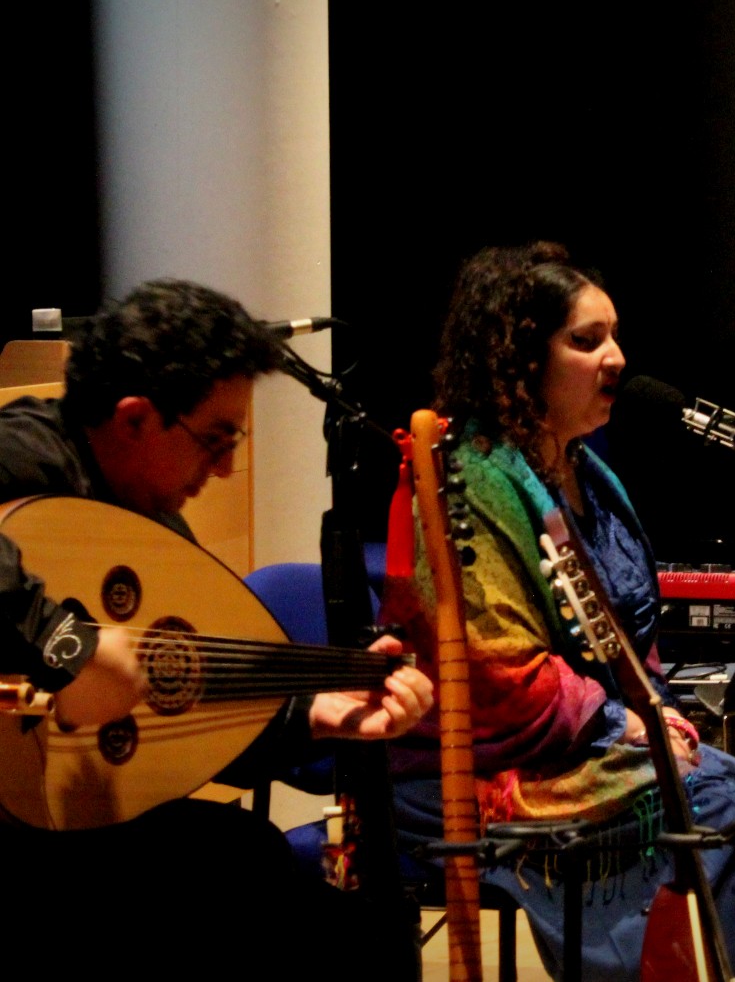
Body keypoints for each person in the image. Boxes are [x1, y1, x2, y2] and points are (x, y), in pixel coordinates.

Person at [389, 243, 735, 981]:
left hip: (590, 739)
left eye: (613, 335)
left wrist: (658, 710)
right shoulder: (472, 475)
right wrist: (627, 722)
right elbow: (497, 672)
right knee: (726, 807)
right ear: (519, 357)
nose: (615, 358)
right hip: (492, 760)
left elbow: (628, 641)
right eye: (586, 341)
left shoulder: (587, 469)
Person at [0, 279, 433, 976]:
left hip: (90, 827)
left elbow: (179, 721)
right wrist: (67, 646)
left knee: (317, 907)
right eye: (214, 439)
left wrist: (315, 714)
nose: (227, 467)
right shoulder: (30, 450)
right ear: (136, 417)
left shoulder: (155, 526)